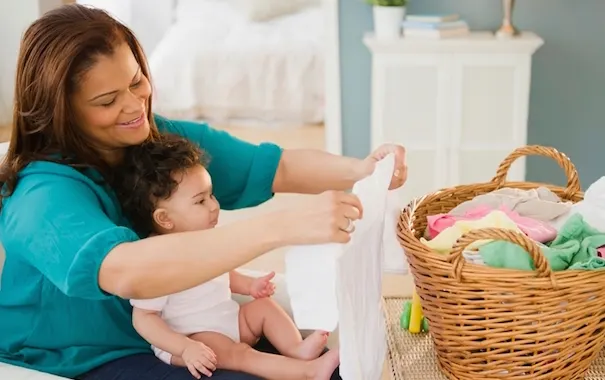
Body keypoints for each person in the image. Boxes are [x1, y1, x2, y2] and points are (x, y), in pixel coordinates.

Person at [0, 4, 407, 380]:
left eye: (136, 80)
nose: (134, 105)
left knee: (332, 368)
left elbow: (272, 165)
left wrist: (364, 169)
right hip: (73, 357)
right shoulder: (41, 197)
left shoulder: (154, 142)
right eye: (108, 101)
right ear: (62, 111)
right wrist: (282, 227)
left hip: (172, 333)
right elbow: (124, 270)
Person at [117, 134, 338, 380]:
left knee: (263, 307)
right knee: (240, 354)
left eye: (211, 195)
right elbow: (144, 318)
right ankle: (308, 372)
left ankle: (297, 349)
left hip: (229, 319)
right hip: (195, 337)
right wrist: (185, 347)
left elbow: (219, 272)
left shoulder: (204, 237)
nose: (214, 206)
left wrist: (249, 285)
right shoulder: (155, 259)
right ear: (165, 219)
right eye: (200, 201)